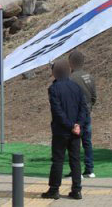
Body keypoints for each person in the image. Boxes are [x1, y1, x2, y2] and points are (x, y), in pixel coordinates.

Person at [42, 59, 88, 201]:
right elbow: (83, 108)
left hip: (61, 131)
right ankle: (77, 190)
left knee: (58, 160)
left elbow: (58, 111)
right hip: (76, 131)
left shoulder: (53, 89)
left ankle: (54, 189)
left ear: (55, 73)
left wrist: (69, 125)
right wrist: (78, 125)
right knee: (75, 160)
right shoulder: (76, 87)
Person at [68, 50, 96, 178]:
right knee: (87, 142)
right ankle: (89, 170)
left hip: (75, 116)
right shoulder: (89, 76)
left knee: (74, 143)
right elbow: (94, 97)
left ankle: (76, 171)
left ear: (71, 63)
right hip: (87, 114)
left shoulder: (70, 78)